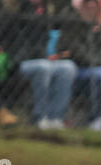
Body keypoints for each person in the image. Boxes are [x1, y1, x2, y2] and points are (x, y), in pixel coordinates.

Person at [15, 0, 77, 129]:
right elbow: (19, 46)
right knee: (43, 66)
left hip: (43, 60)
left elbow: (46, 42)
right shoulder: (17, 13)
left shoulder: (45, 15)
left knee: (68, 68)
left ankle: (55, 118)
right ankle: (40, 117)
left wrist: (57, 54)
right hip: (19, 62)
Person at [67, 0, 101, 130]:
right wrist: (96, 62)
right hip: (79, 68)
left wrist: (100, 30)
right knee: (99, 74)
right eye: (87, 5)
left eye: (94, 5)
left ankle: (98, 119)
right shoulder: (75, 25)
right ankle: (94, 117)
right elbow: (77, 52)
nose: (90, 8)